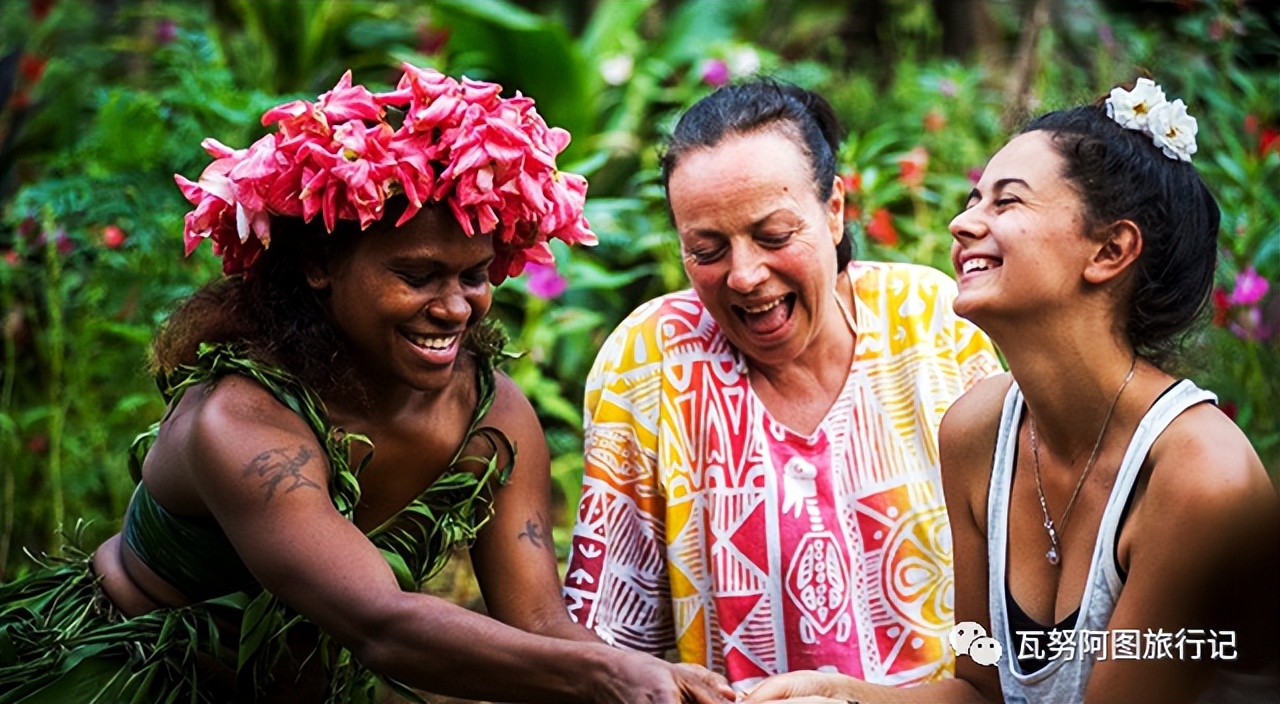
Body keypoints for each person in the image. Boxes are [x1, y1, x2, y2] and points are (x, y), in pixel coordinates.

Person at [0, 64, 736, 704]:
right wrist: (606, 677)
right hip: (122, 681)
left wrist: (656, 678)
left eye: (474, 276)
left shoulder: (490, 418)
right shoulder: (241, 420)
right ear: (319, 265)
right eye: (417, 276)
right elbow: (380, 624)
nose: (455, 307)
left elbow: (540, 623)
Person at [742, 79, 1280, 703]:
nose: (961, 223)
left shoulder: (1200, 477)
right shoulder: (977, 432)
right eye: (975, 200)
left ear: (1111, 250)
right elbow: (980, 684)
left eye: (1007, 202)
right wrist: (842, 694)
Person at [562, 78, 1002, 695]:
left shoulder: (930, 322)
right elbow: (611, 632)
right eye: (707, 250)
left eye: (773, 236)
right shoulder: (651, 359)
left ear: (835, 209)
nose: (744, 276)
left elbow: (1014, 587)